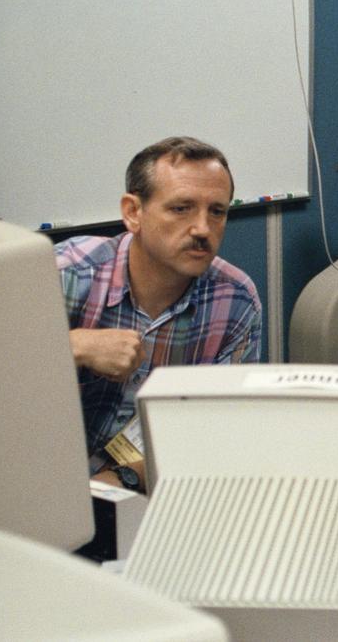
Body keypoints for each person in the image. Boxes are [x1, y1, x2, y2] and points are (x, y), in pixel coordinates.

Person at [56, 136, 261, 492]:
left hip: (158, 489)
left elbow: (221, 432)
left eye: (217, 211)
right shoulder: (67, 274)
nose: (202, 229)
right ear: (133, 212)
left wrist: (124, 479)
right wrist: (72, 346)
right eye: (181, 208)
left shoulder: (235, 301)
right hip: (40, 489)